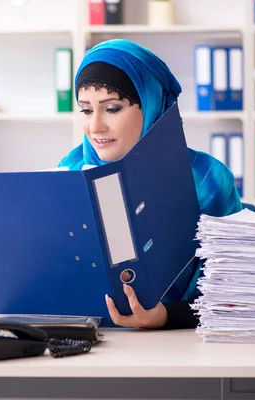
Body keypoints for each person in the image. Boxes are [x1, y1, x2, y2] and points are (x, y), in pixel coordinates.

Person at [57, 39, 243, 330]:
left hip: (187, 348)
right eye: (86, 110)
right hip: (90, 343)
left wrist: (165, 316)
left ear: (151, 102)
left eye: (113, 108)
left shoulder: (209, 180)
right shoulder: (68, 174)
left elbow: (236, 293)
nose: (95, 127)